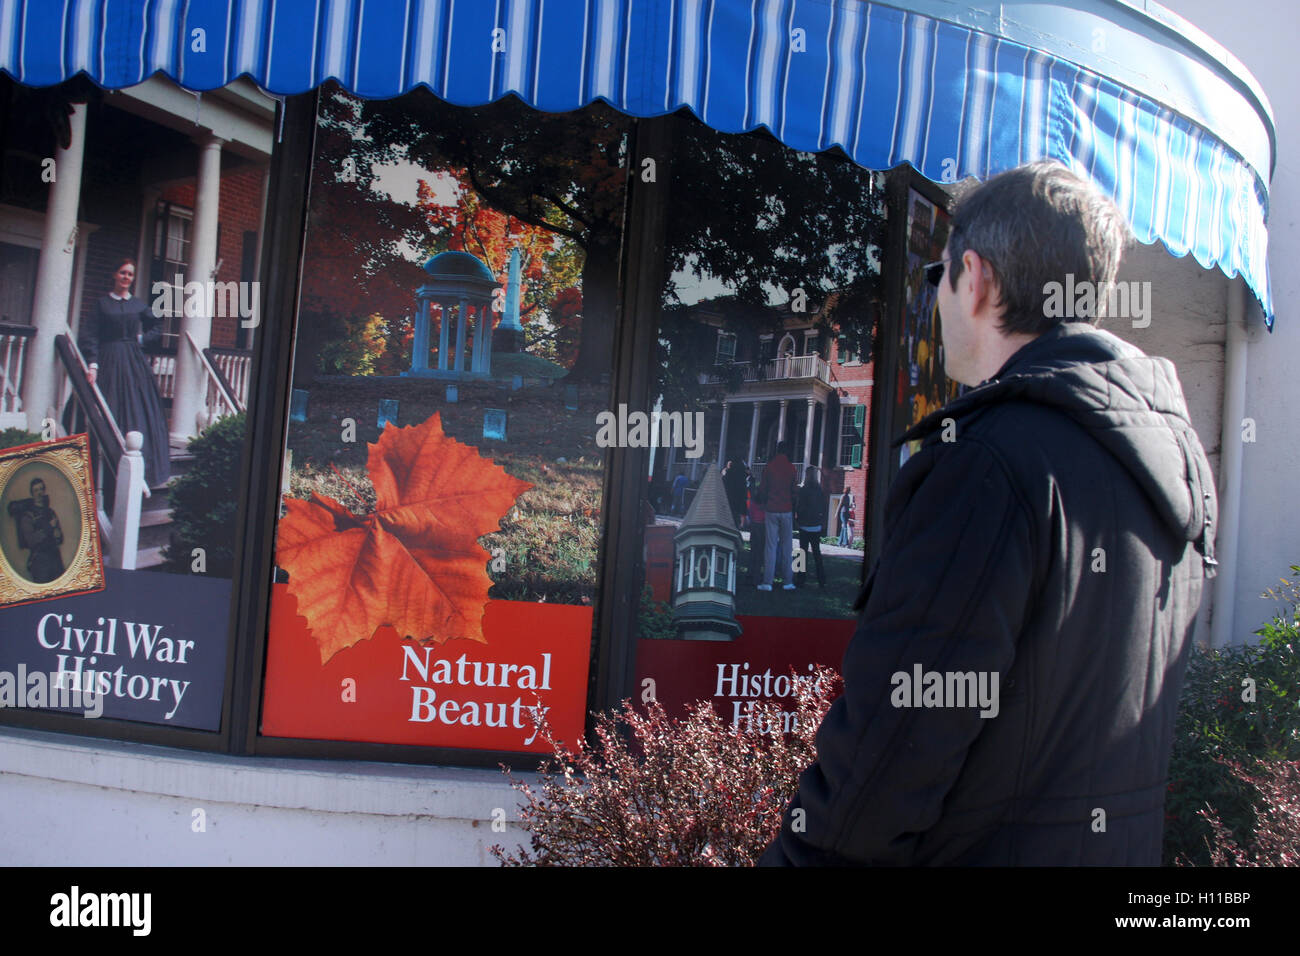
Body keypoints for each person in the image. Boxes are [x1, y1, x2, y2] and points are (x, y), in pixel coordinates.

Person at [762, 159, 1217, 866]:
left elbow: (885, 764)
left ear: (975, 279)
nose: (937, 299)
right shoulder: (1174, 457)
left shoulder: (988, 466)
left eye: (936, 277)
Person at [80, 259, 171, 488]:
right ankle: (102, 468)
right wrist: (93, 364)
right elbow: (90, 335)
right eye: (122, 273)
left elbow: (157, 326)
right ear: (115, 275)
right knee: (108, 404)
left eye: (130, 274)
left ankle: (142, 469)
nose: (126, 277)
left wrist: (141, 339)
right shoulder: (102, 304)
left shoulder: (138, 305)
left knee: (138, 408)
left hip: (133, 360)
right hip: (108, 358)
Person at [8, 477, 65, 583]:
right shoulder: (28, 516)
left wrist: (58, 535)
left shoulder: (51, 512)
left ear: (44, 491)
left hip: (55, 558)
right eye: (36, 490)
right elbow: (31, 541)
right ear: (32, 493)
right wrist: (49, 527)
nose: (39, 493)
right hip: (40, 561)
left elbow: (60, 538)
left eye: (41, 489)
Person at [757, 440, 797, 592]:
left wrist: (763, 499)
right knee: (787, 546)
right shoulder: (792, 468)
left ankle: (768, 582)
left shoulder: (769, 467)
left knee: (770, 547)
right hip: (786, 509)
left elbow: (762, 489)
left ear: (777, 450)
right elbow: (794, 491)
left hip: (772, 509)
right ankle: (788, 581)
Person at [794, 466, 827, 587]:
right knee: (817, 553)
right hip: (816, 525)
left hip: (805, 525)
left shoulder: (804, 490)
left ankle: (800, 579)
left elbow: (800, 506)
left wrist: (798, 518)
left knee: (801, 552)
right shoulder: (819, 490)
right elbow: (823, 507)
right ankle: (821, 579)